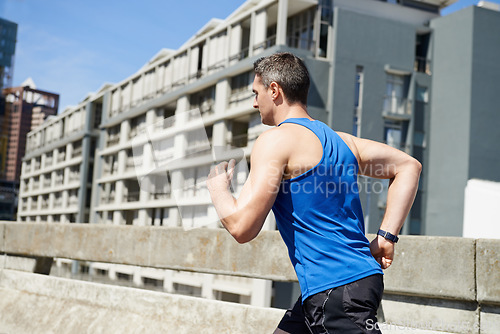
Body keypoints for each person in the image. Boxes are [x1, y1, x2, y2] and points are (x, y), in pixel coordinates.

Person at [207, 52, 421, 334]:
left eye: (256, 93)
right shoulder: (343, 141)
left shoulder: (275, 141)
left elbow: (242, 228)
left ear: (275, 90)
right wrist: (386, 237)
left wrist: (219, 190)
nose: (254, 102)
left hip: (336, 291)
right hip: (344, 284)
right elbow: (408, 166)